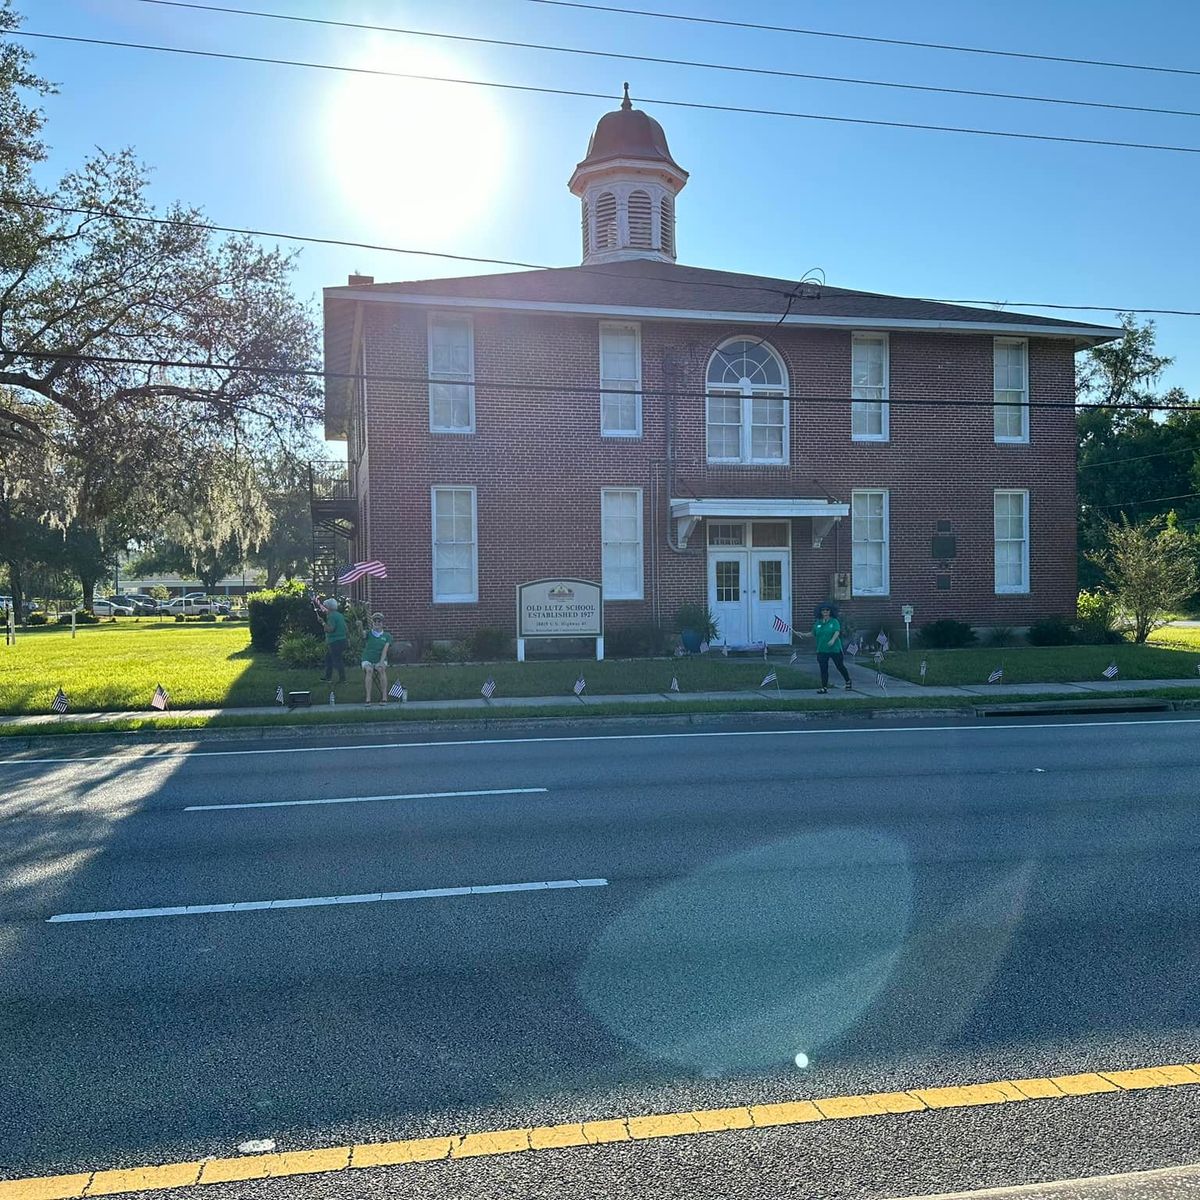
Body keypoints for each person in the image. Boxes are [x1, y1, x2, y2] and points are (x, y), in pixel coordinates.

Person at [813, 602, 852, 694]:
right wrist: (801, 634)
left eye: (827, 610)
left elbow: (837, 632)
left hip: (834, 649)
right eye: (823, 610)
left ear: (830, 611)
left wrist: (833, 640)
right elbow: (813, 633)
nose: (825, 612)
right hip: (822, 649)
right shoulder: (818, 622)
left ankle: (848, 681)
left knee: (839, 666)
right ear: (820, 612)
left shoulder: (834, 621)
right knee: (823, 668)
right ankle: (824, 687)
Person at [361, 611, 393, 704]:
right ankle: (368, 699)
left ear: (382, 623)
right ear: (373, 623)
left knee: (381, 669)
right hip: (367, 658)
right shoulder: (368, 633)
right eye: (375, 621)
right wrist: (359, 626)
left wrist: (381, 662)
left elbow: (385, 650)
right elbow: (362, 635)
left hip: (381, 659)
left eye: (379, 621)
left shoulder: (387, 636)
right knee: (369, 670)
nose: (377, 623)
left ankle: (384, 697)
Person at [319, 597, 348, 684]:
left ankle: (343, 680)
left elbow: (330, 629)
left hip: (335, 642)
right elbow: (346, 628)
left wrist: (323, 623)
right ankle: (328, 677)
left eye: (325, 606)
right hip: (342, 640)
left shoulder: (331, 616)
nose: (324, 608)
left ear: (329, 607)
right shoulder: (339, 615)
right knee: (328, 658)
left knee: (337, 660)